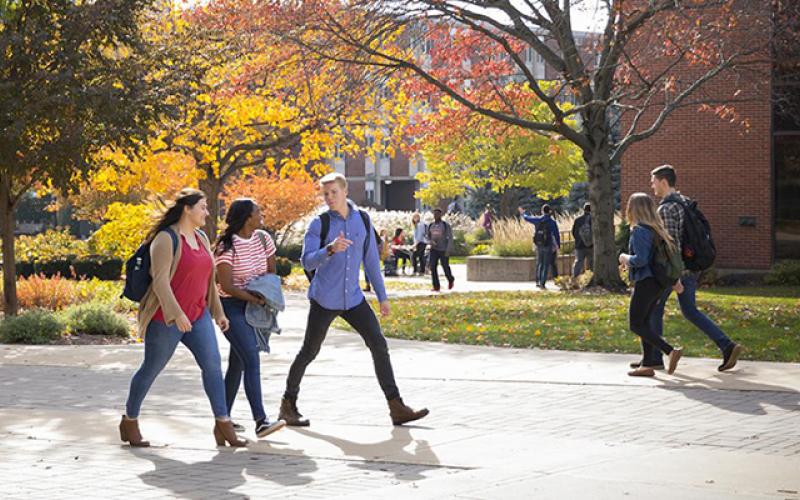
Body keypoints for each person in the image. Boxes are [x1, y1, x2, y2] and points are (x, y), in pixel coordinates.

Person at [278, 173, 428, 426]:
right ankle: (288, 405)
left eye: (333, 192)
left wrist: (383, 297)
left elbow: (370, 261)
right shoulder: (319, 224)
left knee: (379, 345)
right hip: (324, 298)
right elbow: (305, 260)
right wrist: (329, 249)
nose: (329, 198)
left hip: (353, 299)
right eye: (325, 194)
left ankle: (396, 407)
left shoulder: (363, 220)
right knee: (309, 351)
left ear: (345, 191)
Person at [120, 188, 246, 448]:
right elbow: (161, 282)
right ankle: (129, 421)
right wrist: (175, 314)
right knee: (151, 369)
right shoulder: (166, 239)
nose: (207, 212)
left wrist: (218, 312)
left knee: (212, 367)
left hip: (198, 316)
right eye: (202, 207)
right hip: (166, 318)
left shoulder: (200, 237)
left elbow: (208, 280)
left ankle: (223, 424)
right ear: (187, 209)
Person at [646, 164, 744, 371]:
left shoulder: (666, 208)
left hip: (676, 270)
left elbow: (672, 245)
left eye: (653, 181)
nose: (651, 185)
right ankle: (727, 346)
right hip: (692, 266)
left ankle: (654, 357)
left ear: (664, 182)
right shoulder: (685, 202)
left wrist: (674, 278)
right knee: (689, 310)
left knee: (653, 307)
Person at [215, 199, 286, 438]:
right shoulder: (227, 246)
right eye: (258, 211)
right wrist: (253, 298)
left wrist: (263, 294)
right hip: (231, 306)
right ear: (247, 217)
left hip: (255, 305)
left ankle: (221, 420)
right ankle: (261, 421)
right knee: (251, 359)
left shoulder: (263, 239)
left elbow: (271, 272)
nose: (261, 214)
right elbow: (225, 285)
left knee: (238, 363)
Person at [619, 193, 684, 377]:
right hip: (658, 283)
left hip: (646, 281)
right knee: (645, 321)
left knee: (635, 324)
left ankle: (670, 351)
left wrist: (624, 258)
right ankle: (647, 364)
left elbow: (641, 260)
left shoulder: (640, 230)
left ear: (634, 209)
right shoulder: (657, 230)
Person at [519, 205, 560, 289]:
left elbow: (528, 218)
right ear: (549, 211)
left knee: (539, 263)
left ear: (542, 211)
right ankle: (542, 283)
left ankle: (537, 281)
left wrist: (523, 214)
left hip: (539, 244)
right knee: (546, 264)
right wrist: (557, 246)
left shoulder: (538, 220)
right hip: (548, 245)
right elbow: (556, 235)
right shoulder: (552, 222)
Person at [425, 208, 455, 292]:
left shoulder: (445, 225)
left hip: (443, 249)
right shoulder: (431, 225)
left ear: (440, 215)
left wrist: (448, 250)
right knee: (433, 267)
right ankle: (436, 286)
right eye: (434, 214)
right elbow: (427, 236)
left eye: (437, 214)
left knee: (445, 266)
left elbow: (450, 238)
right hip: (434, 249)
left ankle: (450, 279)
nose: (435, 216)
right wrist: (430, 242)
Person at [571, 203, 594, 277]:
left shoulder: (577, 220)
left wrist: (578, 240)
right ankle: (592, 277)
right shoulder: (593, 220)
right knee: (592, 262)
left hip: (579, 245)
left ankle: (574, 277)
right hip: (590, 245)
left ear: (584, 209)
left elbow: (574, 232)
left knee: (578, 262)